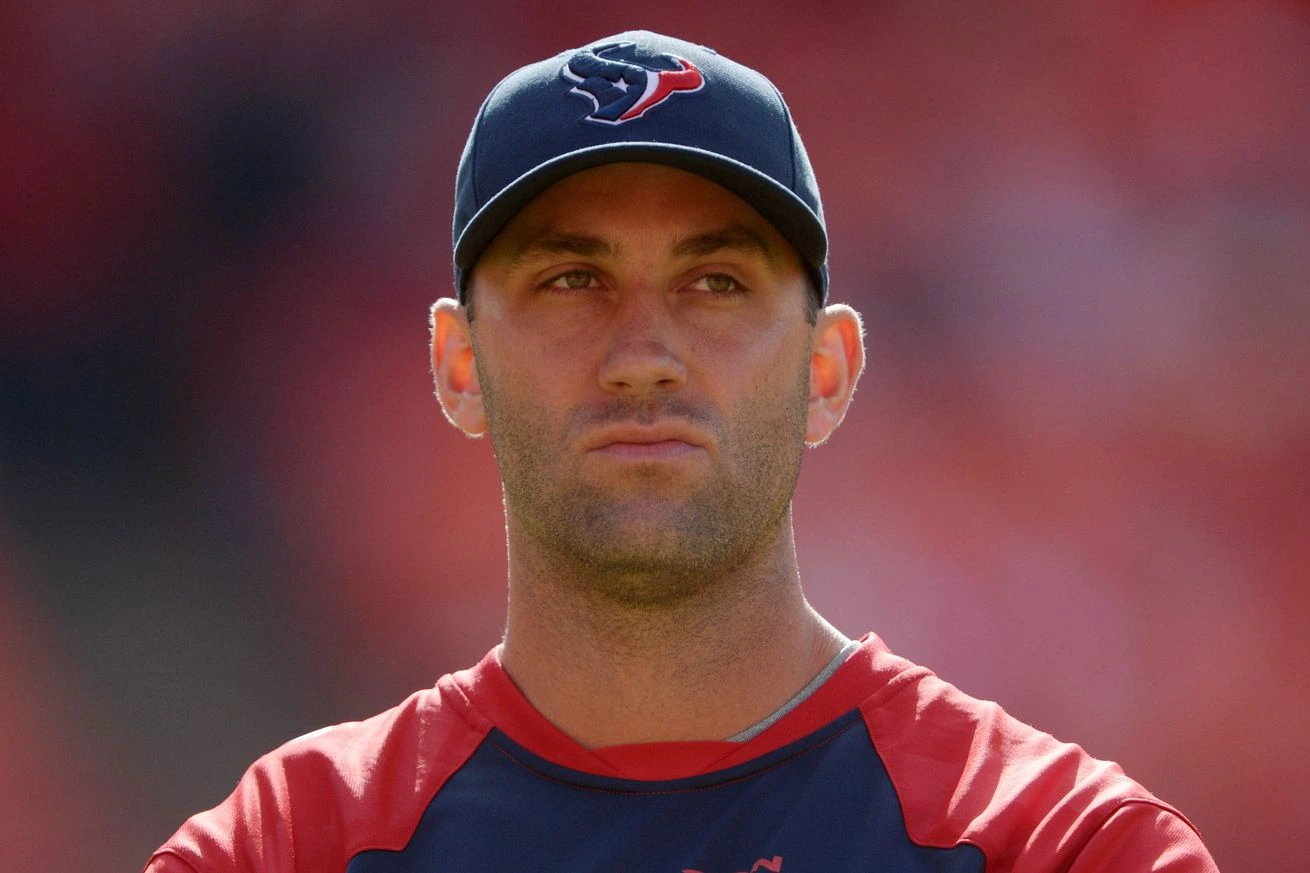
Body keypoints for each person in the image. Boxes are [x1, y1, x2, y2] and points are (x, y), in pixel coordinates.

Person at [146, 31, 1219, 873]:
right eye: (571, 280)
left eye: (717, 284)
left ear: (825, 370)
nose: (642, 355)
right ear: (458, 364)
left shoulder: (1058, 848)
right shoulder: (288, 850)